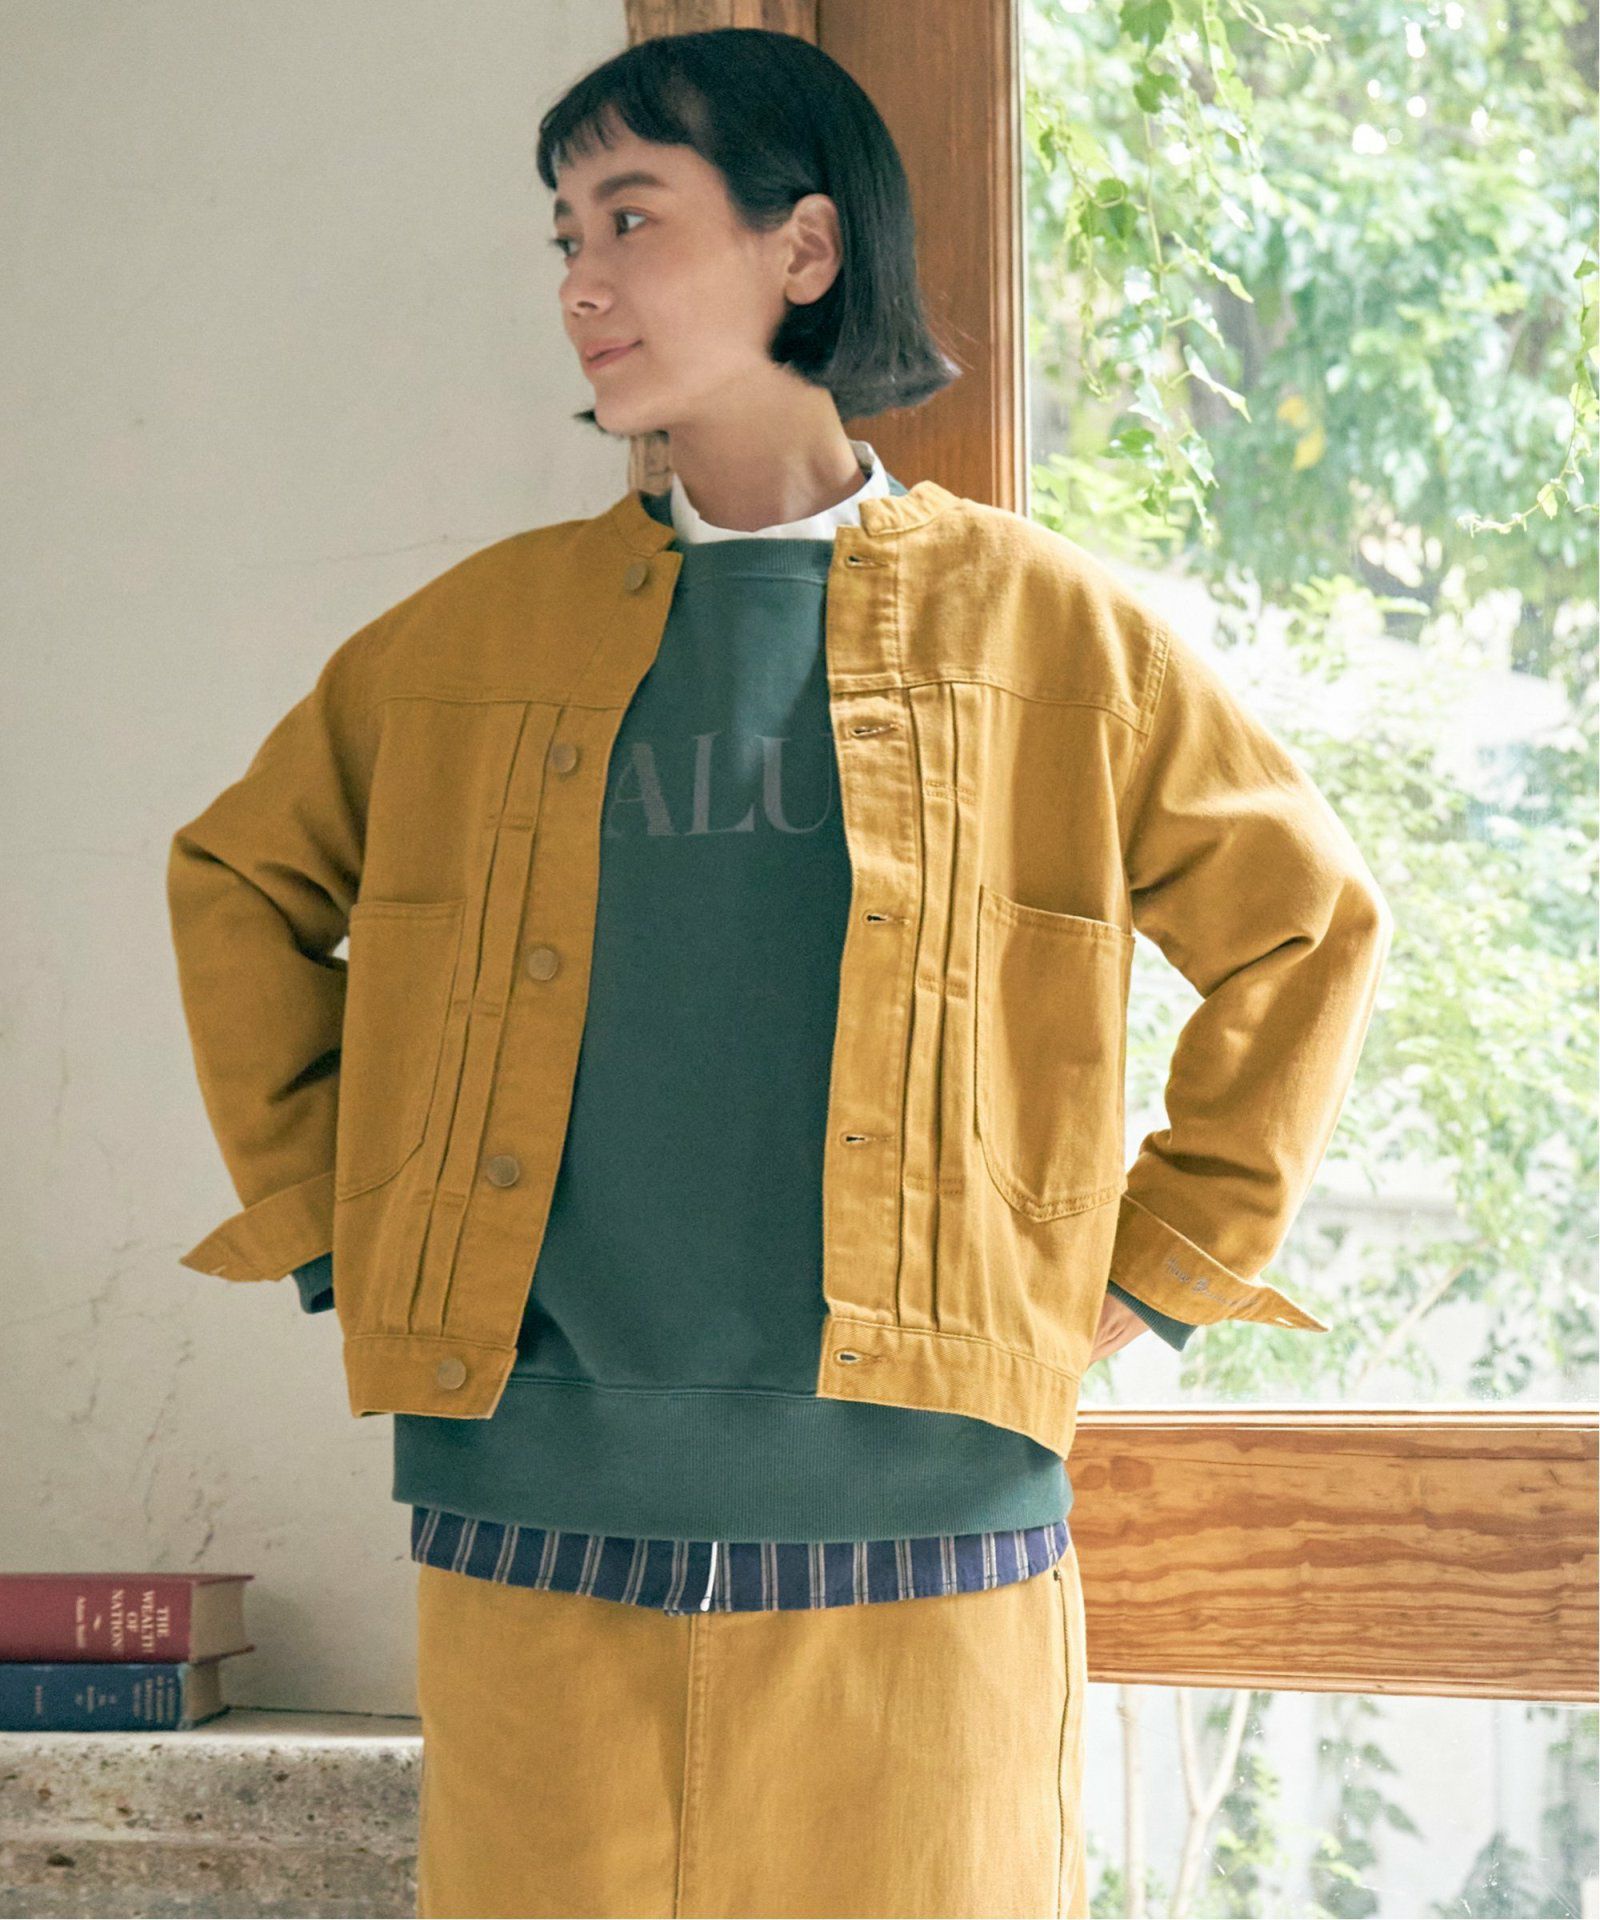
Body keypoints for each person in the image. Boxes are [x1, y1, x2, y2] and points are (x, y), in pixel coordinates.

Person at [167, 27, 1390, 1920]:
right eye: (563, 234)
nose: (581, 280)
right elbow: (236, 880)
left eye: (631, 218)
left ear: (803, 248)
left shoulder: (1051, 632)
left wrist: (1155, 1269)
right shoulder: (470, 640)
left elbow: (1305, 927)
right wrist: (351, 1223)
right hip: (533, 1508)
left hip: (930, 1525)